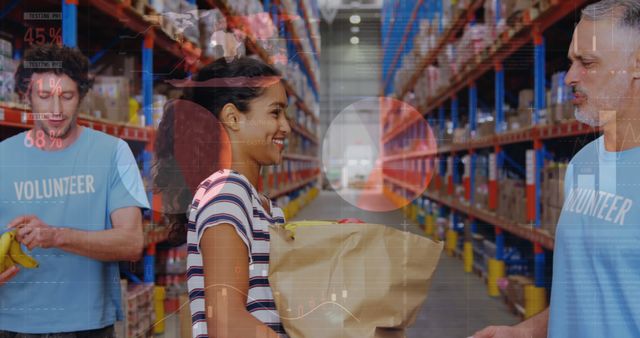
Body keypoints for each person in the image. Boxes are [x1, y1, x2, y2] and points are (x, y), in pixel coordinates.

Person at [472, 1, 640, 337]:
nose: (569, 78)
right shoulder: (583, 164)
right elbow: (583, 292)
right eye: (571, 62)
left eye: (587, 63)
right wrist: (524, 332)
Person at [0, 45, 149, 337]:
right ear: (26, 96)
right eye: (44, 97)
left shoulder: (113, 153)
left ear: (81, 96)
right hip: (12, 322)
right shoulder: (3, 157)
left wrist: (56, 236)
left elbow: (131, 242)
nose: (56, 110)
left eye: (66, 97)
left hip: (88, 324)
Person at [153, 57, 291, 338]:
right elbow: (225, 322)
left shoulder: (262, 205)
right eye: (275, 113)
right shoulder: (226, 196)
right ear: (232, 117)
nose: (286, 127)